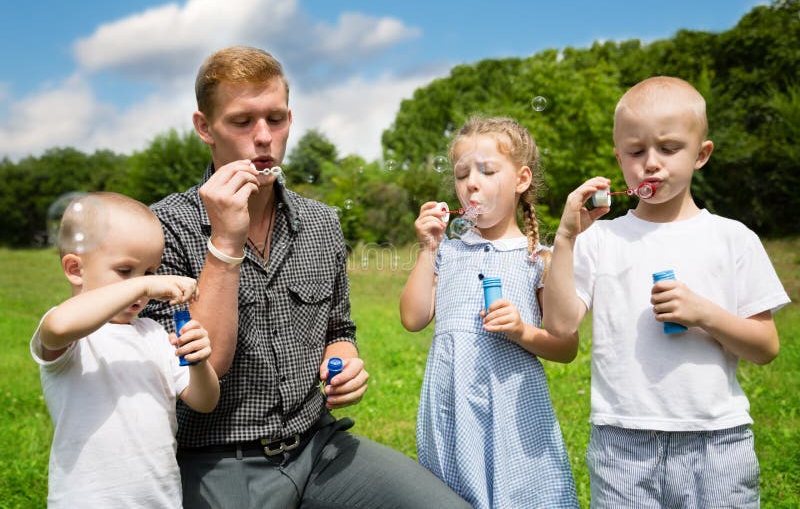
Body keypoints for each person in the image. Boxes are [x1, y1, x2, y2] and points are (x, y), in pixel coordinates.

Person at [140, 46, 470, 508]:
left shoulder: (321, 223)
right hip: (217, 457)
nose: (263, 137)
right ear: (204, 128)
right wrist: (225, 244)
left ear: (290, 119)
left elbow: (340, 330)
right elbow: (200, 374)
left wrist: (345, 360)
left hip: (319, 448)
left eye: (275, 119)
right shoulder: (161, 229)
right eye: (241, 121)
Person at [542, 76, 791, 507]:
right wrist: (565, 239)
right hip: (622, 443)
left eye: (669, 148)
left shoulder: (733, 239)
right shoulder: (601, 240)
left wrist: (704, 314)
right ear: (619, 159)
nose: (651, 164)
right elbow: (561, 325)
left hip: (716, 441)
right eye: (636, 152)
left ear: (702, 154)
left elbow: (765, 346)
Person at [400, 116, 580, 508]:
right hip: (452, 404)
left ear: (521, 179)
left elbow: (566, 348)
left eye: (487, 170)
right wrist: (428, 249)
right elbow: (413, 319)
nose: (472, 183)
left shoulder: (538, 259)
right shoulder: (447, 252)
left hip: (513, 408)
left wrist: (521, 331)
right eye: (462, 174)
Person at [30, 191, 220, 508]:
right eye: (124, 270)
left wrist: (199, 362)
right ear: (75, 269)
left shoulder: (155, 334)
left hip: (159, 500)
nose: (142, 285)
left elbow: (204, 401)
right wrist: (143, 285)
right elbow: (58, 327)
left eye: (149, 271)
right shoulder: (74, 334)